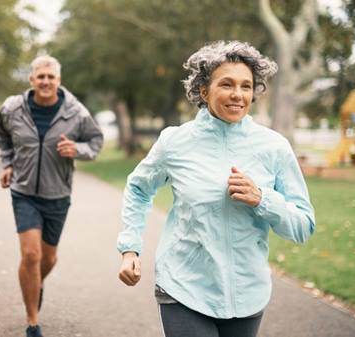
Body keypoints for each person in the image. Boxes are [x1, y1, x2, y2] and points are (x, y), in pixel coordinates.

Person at [117, 41, 315, 337]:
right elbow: (138, 188)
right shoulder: (175, 142)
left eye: (246, 86)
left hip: (248, 292)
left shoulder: (274, 147)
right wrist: (130, 247)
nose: (238, 95)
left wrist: (262, 199)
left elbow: (303, 226)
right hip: (183, 285)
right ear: (204, 91)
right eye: (227, 84)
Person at [0, 54, 103, 337]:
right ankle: (33, 321)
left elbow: (96, 141)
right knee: (31, 255)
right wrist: (7, 163)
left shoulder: (76, 112)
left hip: (58, 194)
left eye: (50, 77)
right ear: (31, 80)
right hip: (24, 191)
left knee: (48, 259)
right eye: (40, 76)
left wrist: (77, 150)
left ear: (58, 81)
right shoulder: (12, 108)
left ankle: (34, 285)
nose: (45, 81)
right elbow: (3, 135)